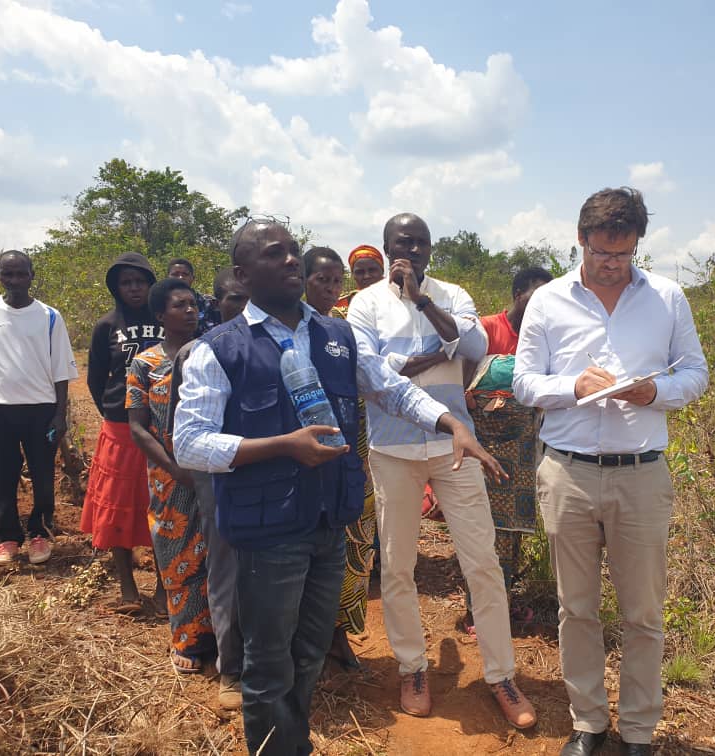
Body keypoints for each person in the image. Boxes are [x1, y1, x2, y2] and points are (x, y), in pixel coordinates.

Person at [173, 217, 506, 756]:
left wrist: (452, 424)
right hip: (266, 533)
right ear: (242, 273)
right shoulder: (220, 349)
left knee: (308, 652)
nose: (288, 261)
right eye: (272, 254)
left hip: (330, 523)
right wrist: (283, 445)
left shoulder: (336, 334)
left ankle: (293, 742)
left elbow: (391, 389)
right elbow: (189, 443)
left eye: (291, 251)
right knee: (267, 661)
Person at [512, 187, 709, 756]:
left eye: (623, 254)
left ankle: (639, 731)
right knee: (576, 608)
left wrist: (654, 391)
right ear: (581, 239)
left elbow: (695, 373)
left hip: (642, 474)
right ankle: (588, 722)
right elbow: (525, 382)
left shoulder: (667, 298)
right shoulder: (548, 301)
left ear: (637, 245)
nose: (612, 264)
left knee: (643, 612)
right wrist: (572, 386)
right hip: (568, 473)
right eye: (602, 252)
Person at [345, 213, 537, 728]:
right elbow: (370, 374)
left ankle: (501, 674)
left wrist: (424, 304)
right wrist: (427, 357)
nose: (412, 250)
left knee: (483, 562)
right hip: (392, 450)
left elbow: (474, 348)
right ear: (386, 249)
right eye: (402, 243)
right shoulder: (364, 305)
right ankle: (413, 667)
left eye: (421, 243)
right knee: (399, 567)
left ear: (431, 249)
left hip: (457, 448)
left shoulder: (451, 295)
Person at [0, 250, 78, 565]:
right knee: (3, 476)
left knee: (43, 476)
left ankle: (39, 533)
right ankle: (7, 538)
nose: (15, 281)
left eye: (22, 274)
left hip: (41, 411)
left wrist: (60, 416)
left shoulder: (49, 316)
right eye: (9, 274)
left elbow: (61, 370)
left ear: (32, 275)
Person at [166, 266, 249, 709]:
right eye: (234, 299)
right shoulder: (197, 353)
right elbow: (179, 434)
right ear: (218, 304)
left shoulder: (278, 344)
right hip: (217, 478)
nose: (243, 306)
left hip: (269, 475)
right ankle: (231, 669)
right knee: (226, 571)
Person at [126, 277, 216, 674]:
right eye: (180, 305)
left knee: (217, 554)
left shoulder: (211, 353)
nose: (190, 310)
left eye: (193, 304)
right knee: (176, 554)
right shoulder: (145, 363)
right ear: (160, 315)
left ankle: (219, 636)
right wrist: (174, 467)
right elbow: (138, 427)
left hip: (212, 469)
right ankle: (186, 638)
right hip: (169, 476)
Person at [303, 246, 373, 672]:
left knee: (355, 543)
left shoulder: (346, 326)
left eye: (335, 281)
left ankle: (339, 634)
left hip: (353, 444)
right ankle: (309, 640)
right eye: (321, 280)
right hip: (305, 447)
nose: (330, 289)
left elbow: (371, 377)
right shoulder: (286, 330)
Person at [81, 252, 164, 614]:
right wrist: (116, 413)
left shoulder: (165, 319)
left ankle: (165, 585)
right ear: (116, 287)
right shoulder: (106, 325)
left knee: (162, 505)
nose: (134, 288)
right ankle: (128, 588)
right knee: (116, 508)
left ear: (151, 284)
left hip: (161, 425)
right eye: (126, 282)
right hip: (120, 428)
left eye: (140, 282)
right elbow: (96, 379)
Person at [465, 266, 553, 608]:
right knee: (486, 527)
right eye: (534, 298)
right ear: (518, 295)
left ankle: (502, 600)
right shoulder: (486, 329)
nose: (539, 306)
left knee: (514, 528)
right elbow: (461, 378)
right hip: (486, 441)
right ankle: (480, 607)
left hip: (525, 445)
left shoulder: (542, 337)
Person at [167, 257, 219, 335]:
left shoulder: (209, 303)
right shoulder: (161, 303)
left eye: (185, 274)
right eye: (175, 274)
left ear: (192, 278)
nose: (180, 278)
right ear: (168, 277)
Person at [334, 244, 385, 315]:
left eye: (372, 270)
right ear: (353, 275)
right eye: (360, 272)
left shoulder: (397, 299)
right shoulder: (338, 305)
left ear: (382, 271)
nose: (367, 276)